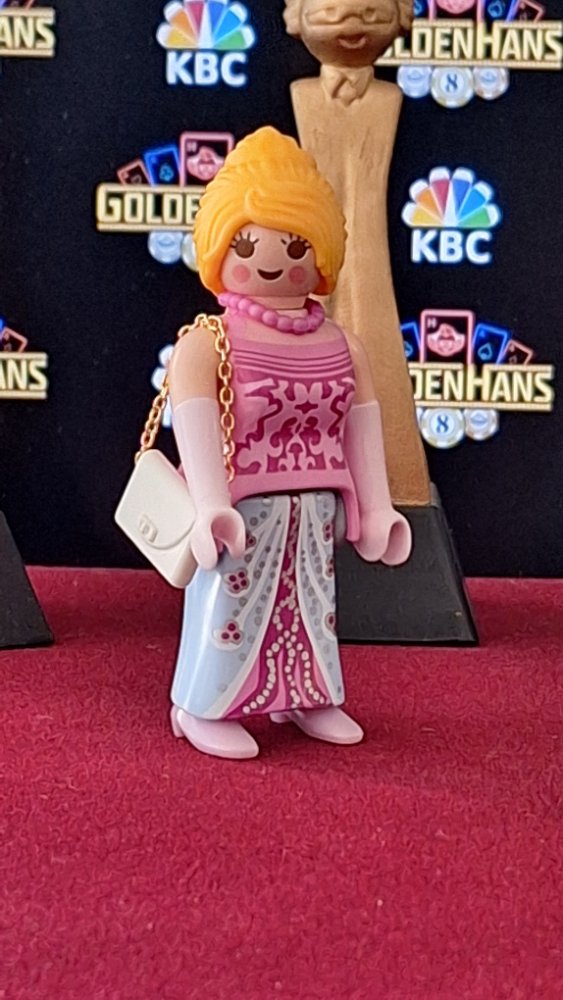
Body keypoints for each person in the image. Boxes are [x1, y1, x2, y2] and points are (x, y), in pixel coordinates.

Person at [167, 126, 411, 760]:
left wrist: (377, 508)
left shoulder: (341, 344)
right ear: (217, 248)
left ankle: (306, 694)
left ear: (321, 252)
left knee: (312, 609)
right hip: (242, 509)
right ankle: (202, 703)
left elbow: (360, 424)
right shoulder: (209, 341)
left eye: (295, 244)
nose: (271, 261)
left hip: (315, 510)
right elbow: (194, 421)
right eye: (247, 245)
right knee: (231, 607)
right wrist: (209, 505)